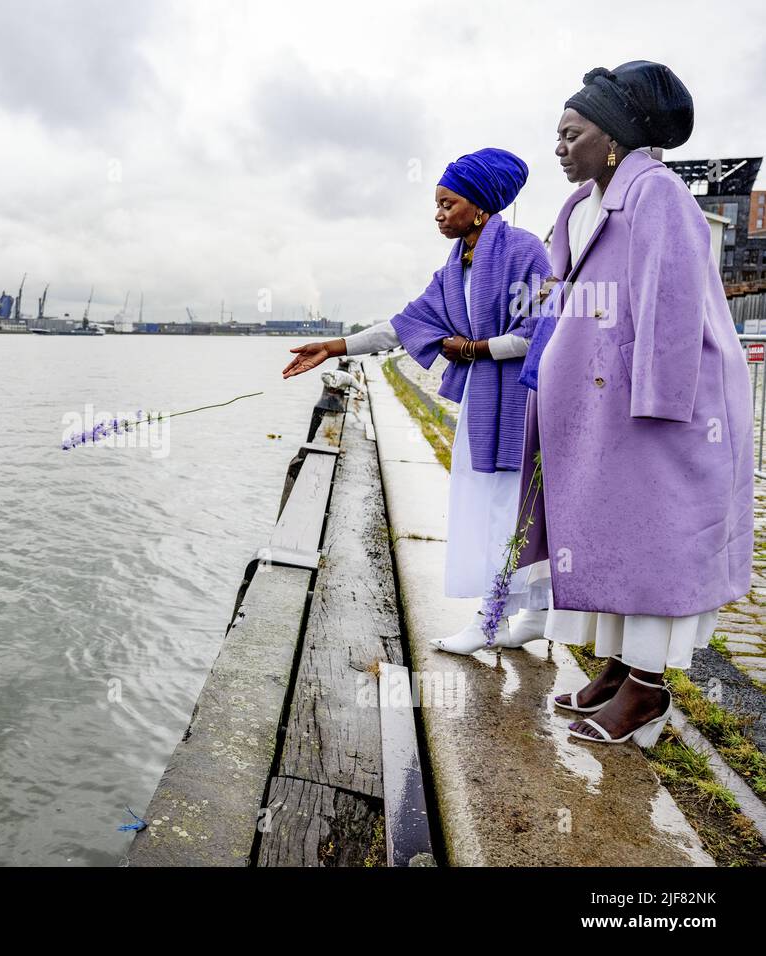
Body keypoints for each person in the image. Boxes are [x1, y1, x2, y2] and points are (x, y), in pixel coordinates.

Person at [516, 61, 753, 747]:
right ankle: (620, 668)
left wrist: (658, 403)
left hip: (655, 407)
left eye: (572, 133)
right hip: (601, 406)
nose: (559, 146)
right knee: (610, 535)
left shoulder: (657, 194)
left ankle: (648, 692)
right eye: (556, 134)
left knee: (655, 542)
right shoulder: (578, 207)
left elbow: (674, 304)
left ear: (613, 137)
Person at [282, 148, 552, 653]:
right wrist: (335, 346)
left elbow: (540, 331)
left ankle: (492, 620)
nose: (439, 213)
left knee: (506, 506)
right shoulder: (454, 271)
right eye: (437, 204)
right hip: (482, 401)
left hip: (521, 402)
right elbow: (405, 326)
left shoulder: (525, 251)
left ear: (480, 205)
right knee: (497, 503)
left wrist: (473, 348)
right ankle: (532, 614)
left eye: (448, 203)